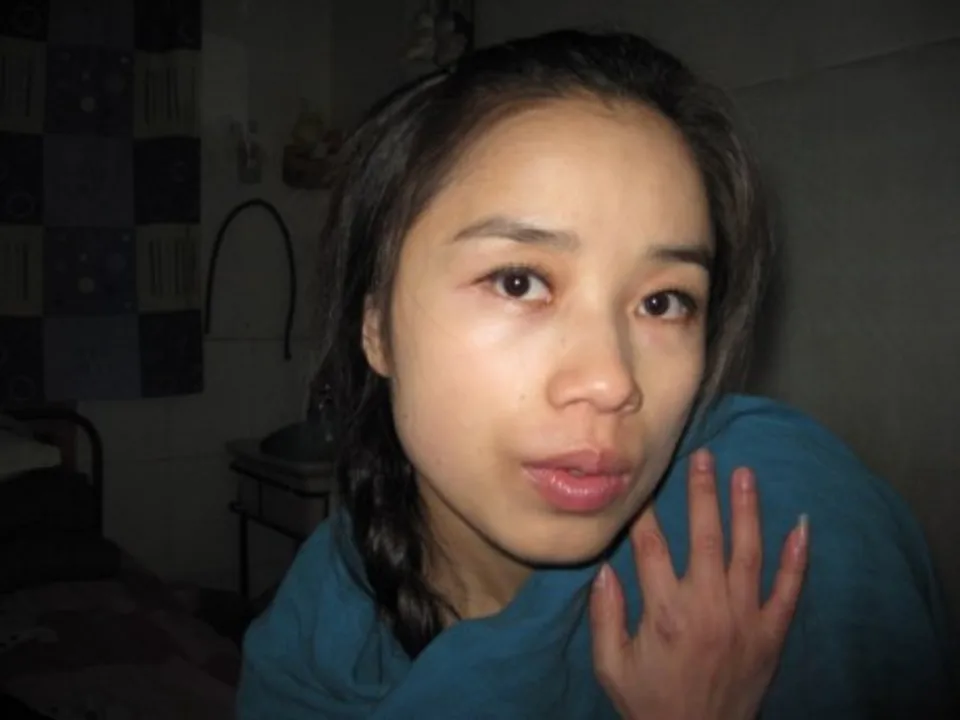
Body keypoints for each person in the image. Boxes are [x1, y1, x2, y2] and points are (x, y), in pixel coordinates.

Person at [237, 29, 955, 718]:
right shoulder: (319, 626)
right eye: (519, 282)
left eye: (663, 302)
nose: (613, 382)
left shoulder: (788, 530)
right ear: (375, 328)